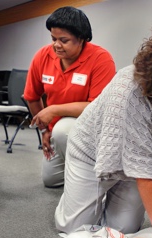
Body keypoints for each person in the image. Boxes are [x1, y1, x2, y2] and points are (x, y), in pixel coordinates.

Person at [54, 23, 152, 238]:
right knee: (77, 232)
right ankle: (73, 196)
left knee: (123, 231)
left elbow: (141, 164)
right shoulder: (131, 89)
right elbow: (143, 169)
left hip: (136, 164)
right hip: (91, 153)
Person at [23, 6, 116, 187]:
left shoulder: (101, 58)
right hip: (57, 132)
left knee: (63, 128)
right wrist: (45, 131)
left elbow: (98, 107)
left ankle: (89, 178)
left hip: (90, 129)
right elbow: (32, 97)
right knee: (51, 181)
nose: (56, 45)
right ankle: (77, 172)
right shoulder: (43, 56)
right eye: (53, 38)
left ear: (81, 39)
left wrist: (54, 110)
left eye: (64, 40)